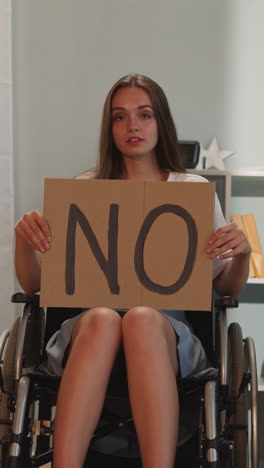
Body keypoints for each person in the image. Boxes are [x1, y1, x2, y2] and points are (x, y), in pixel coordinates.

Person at [14, 74, 251, 468]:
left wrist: (241, 255)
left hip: (166, 330)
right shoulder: (86, 187)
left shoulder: (190, 189)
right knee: (105, 317)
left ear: (162, 123)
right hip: (90, 327)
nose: (133, 126)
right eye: (119, 117)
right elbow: (36, 284)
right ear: (109, 129)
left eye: (144, 115)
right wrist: (25, 240)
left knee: (141, 316)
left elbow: (225, 288)